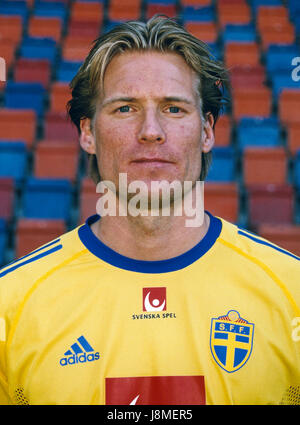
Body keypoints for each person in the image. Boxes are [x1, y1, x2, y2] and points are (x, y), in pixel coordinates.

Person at [0, 15, 299, 406]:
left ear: (207, 131)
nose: (151, 130)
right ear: (88, 132)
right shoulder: (12, 303)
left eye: (174, 109)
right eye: (125, 108)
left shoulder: (291, 292)